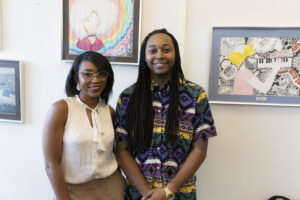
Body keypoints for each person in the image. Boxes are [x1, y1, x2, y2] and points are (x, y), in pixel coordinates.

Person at [114, 29, 217, 200]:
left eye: (166, 49)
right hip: (138, 194)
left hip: (180, 194)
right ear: (144, 56)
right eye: (152, 50)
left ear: (175, 54)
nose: (159, 55)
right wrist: (148, 194)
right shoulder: (128, 98)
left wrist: (168, 190)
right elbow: (121, 151)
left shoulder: (195, 95)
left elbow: (200, 149)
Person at [42, 51, 124, 200]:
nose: (95, 79)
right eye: (87, 74)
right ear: (76, 78)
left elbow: (115, 153)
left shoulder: (110, 111)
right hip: (74, 191)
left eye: (101, 74)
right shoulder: (61, 109)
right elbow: (50, 165)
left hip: (112, 187)